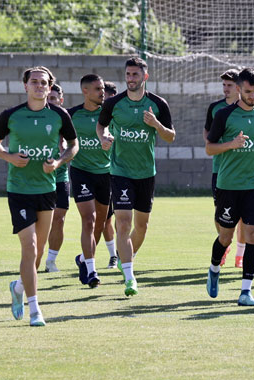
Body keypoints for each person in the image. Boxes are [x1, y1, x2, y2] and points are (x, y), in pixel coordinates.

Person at [0, 66, 79, 326]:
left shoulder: (60, 115)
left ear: (50, 88)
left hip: (47, 189)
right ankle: (35, 309)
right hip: (19, 189)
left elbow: (74, 145)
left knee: (37, 252)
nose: (39, 86)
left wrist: (59, 163)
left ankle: (18, 288)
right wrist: (9, 157)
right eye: (34, 82)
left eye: (44, 83)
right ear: (25, 86)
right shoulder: (11, 115)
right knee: (28, 247)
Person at [96, 57, 175, 296]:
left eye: (135, 75)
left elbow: (170, 136)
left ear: (145, 77)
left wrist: (156, 124)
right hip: (120, 171)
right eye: (128, 75)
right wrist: (104, 137)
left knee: (141, 227)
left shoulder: (158, 104)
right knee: (123, 223)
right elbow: (102, 126)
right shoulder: (114, 104)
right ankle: (130, 277)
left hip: (146, 174)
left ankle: (125, 258)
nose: (131, 79)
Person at [205, 68, 254, 306]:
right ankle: (213, 269)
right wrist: (231, 144)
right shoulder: (224, 114)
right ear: (239, 89)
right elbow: (210, 148)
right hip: (228, 185)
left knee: (253, 234)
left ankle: (246, 291)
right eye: (248, 91)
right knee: (226, 236)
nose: (253, 96)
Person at [68, 74, 111, 288]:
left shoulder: (109, 114)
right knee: (89, 219)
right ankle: (92, 270)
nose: (102, 92)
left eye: (103, 88)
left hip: (106, 173)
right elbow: (60, 138)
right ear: (85, 91)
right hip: (81, 172)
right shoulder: (72, 115)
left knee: (100, 224)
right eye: (97, 89)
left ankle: (83, 259)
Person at [204, 69, 241, 267]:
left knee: (245, 216)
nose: (226, 89)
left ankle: (240, 252)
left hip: (243, 170)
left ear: (239, 87)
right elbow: (207, 132)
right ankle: (224, 242)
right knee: (220, 211)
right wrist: (212, 145)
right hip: (221, 169)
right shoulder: (215, 108)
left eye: (229, 85)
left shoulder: (247, 109)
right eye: (224, 85)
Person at [42, 83, 70, 272]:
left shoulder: (66, 119)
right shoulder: (36, 117)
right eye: (47, 99)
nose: (50, 102)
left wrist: (65, 148)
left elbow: (73, 143)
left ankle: (51, 260)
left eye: (53, 99)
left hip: (60, 175)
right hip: (38, 176)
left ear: (60, 100)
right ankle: (33, 254)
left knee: (59, 219)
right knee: (40, 221)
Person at [101, 81, 119, 269]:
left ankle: (119, 254)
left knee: (122, 216)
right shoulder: (98, 119)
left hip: (120, 172)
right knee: (105, 218)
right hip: (100, 173)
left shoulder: (121, 116)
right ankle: (114, 255)